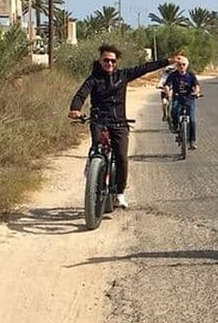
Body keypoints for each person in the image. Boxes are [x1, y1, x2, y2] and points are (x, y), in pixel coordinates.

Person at [69, 44, 177, 209]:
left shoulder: (123, 75)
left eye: (112, 61)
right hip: (99, 121)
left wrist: (167, 61)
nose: (109, 64)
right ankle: (93, 171)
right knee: (97, 147)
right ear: (100, 60)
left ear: (116, 62)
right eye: (106, 60)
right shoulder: (93, 78)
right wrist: (75, 109)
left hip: (119, 122)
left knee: (121, 158)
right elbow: (81, 94)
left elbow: (145, 68)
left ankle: (119, 193)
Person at [164, 55, 201, 150]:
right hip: (177, 97)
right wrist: (167, 92)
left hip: (189, 98)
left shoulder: (191, 75)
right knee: (173, 112)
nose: (181, 66)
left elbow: (196, 86)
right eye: (179, 64)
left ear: (187, 65)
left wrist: (196, 92)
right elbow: (167, 85)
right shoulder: (173, 75)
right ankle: (176, 126)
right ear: (176, 65)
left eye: (183, 64)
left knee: (192, 119)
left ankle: (192, 141)